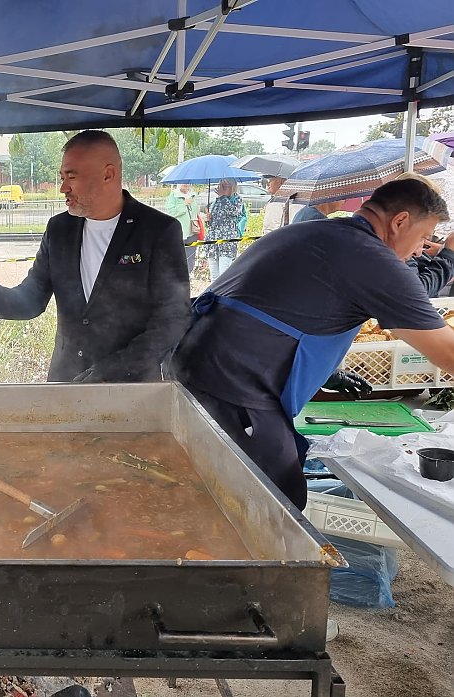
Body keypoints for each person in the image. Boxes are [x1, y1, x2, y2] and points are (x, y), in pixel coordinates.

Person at [171, 178, 454, 511]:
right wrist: (449, 256)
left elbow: (283, 308)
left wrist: (330, 372)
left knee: (215, 490)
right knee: (274, 503)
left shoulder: (309, 233)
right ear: (399, 222)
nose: (421, 249)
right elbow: (448, 353)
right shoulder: (370, 257)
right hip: (232, 388)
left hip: (192, 369)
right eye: (423, 237)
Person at [0, 130, 190, 383]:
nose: (63, 187)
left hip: (130, 389)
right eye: (61, 177)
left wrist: (113, 369)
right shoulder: (60, 230)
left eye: (72, 176)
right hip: (65, 382)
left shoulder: (157, 230)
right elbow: (30, 300)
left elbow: (173, 318)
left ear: (108, 174)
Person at [204, 179, 247, 282]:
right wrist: (208, 219)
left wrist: (223, 197)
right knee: (214, 278)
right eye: (221, 186)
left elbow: (234, 213)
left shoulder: (237, 199)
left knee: (224, 277)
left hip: (227, 243)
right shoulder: (216, 201)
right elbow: (212, 223)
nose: (221, 189)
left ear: (232, 187)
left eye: (225, 186)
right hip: (213, 243)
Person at [165, 183, 200, 273]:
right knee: (178, 257)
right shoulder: (173, 195)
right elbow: (170, 212)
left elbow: (195, 212)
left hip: (192, 232)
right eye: (184, 184)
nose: (186, 186)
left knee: (190, 257)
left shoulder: (192, 195)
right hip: (179, 232)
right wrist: (183, 204)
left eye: (187, 184)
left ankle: (188, 276)